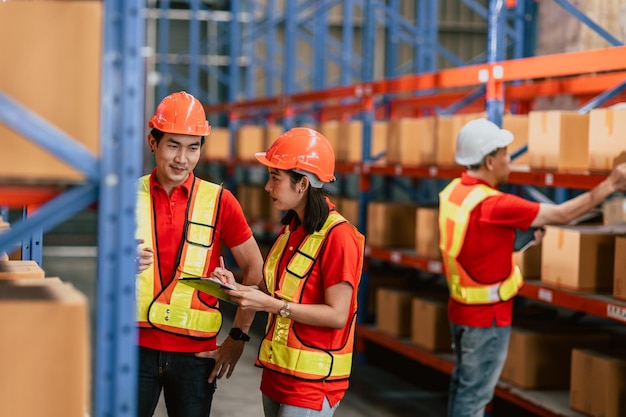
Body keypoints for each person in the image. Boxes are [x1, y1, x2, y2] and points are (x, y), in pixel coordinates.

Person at [439, 117, 626, 417]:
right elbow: (563, 214)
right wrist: (610, 185)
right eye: (505, 153)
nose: (509, 159)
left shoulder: (455, 193)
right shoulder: (496, 205)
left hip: (460, 311)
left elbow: (470, 243)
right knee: (474, 399)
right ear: (489, 161)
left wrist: (514, 241)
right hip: (487, 320)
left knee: (463, 388)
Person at [200, 127, 365, 417]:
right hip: (277, 376)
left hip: (312, 386)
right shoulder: (290, 230)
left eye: (275, 178)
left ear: (302, 184)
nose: (267, 186)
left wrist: (275, 306)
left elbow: (338, 314)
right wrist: (238, 287)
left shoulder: (339, 237)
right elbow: (273, 292)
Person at [135, 91, 264, 417]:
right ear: (153, 142)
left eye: (193, 148)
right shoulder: (125, 196)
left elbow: (255, 268)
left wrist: (238, 337)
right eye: (173, 145)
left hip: (196, 357)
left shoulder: (220, 201)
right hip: (133, 350)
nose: (182, 158)